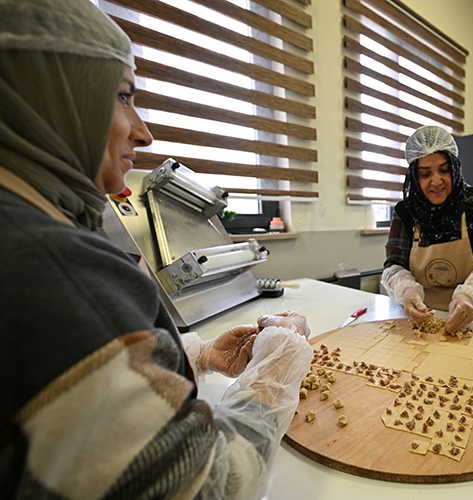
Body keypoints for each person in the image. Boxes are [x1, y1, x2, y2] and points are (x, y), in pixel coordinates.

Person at [0, 1, 312, 499]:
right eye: (123, 97)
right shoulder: (54, 268)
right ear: (57, 99)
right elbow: (211, 484)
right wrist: (280, 364)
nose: (143, 132)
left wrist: (195, 355)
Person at [382, 125, 473, 334]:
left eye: (444, 170)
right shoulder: (405, 212)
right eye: (425, 174)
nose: (436, 181)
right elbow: (393, 265)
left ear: (455, 168)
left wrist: (470, 294)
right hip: (419, 323)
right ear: (414, 176)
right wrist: (406, 291)